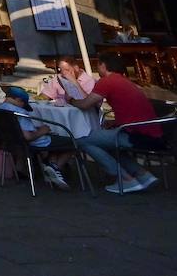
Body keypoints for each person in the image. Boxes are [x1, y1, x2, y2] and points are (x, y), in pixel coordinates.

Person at [69, 53, 161, 193]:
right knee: (106, 143)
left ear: (103, 65)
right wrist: (115, 122)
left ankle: (124, 179)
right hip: (151, 132)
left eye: (98, 65)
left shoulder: (107, 81)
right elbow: (131, 109)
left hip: (136, 135)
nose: (97, 68)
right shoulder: (125, 81)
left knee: (81, 139)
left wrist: (71, 100)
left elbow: (86, 104)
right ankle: (142, 174)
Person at [0, 86, 71, 190]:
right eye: (23, 104)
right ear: (18, 100)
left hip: (12, 141)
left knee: (55, 142)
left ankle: (50, 165)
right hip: (35, 143)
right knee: (73, 143)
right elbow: (28, 136)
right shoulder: (20, 112)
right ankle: (55, 168)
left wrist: (35, 129)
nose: (23, 106)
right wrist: (42, 131)